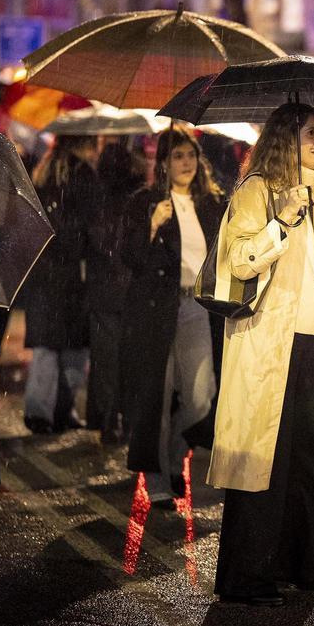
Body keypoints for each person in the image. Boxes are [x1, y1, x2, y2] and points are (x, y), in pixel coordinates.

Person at [208, 102, 314, 607]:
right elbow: (240, 260)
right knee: (265, 462)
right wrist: (283, 220)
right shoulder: (258, 192)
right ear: (285, 139)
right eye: (311, 134)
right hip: (272, 348)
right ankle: (247, 575)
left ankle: (302, 563)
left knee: (312, 461)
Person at [120, 129, 226, 506]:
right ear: (163, 163)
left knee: (201, 396)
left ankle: (173, 450)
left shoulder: (212, 202)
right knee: (158, 396)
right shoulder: (145, 202)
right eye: (177, 156)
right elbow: (128, 258)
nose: (186, 163)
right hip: (156, 308)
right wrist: (150, 225)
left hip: (197, 307)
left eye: (190, 156)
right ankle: (158, 478)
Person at [22, 134, 100, 434]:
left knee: (46, 347)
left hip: (44, 273)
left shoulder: (42, 172)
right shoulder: (83, 174)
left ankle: (38, 412)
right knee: (73, 348)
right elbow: (92, 222)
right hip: (72, 274)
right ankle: (62, 411)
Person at [86, 141, 145, 444]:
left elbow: (94, 243)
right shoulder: (138, 199)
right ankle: (128, 418)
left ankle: (110, 419)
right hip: (131, 292)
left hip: (104, 293)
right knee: (130, 360)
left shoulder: (96, 200)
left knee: (107, 362)